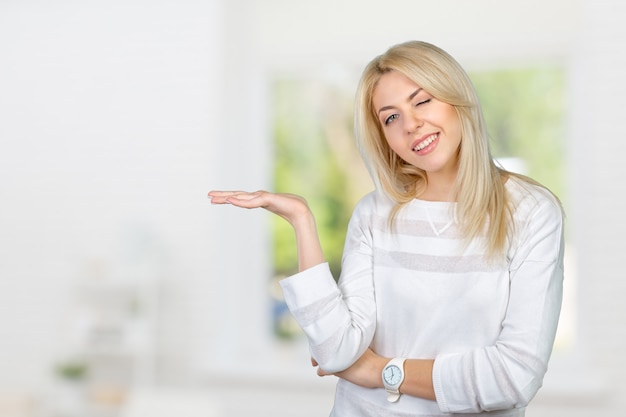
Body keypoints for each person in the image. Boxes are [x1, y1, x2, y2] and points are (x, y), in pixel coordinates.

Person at [208, 40, 564, 416]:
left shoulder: (530, 212)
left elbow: (512, 378)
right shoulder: (375, 213)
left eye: (422, 101)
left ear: (458, 98)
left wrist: (380, 371)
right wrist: (302, 220)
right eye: (391, 117)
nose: (411, 125)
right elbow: (336, 351)